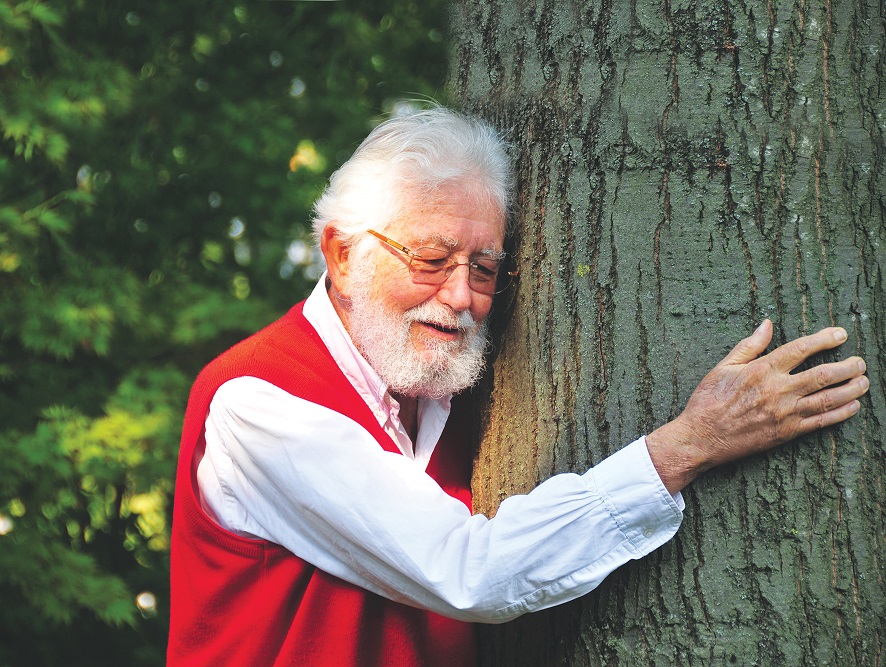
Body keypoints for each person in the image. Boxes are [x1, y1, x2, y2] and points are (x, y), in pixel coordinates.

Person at [166, 108, 869, 666]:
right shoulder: (259, 403)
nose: (460, 297)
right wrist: (691, 443)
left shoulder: (448, 387)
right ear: (343, 256)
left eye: (483, 268)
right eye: (430, 258)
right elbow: (469, 569)